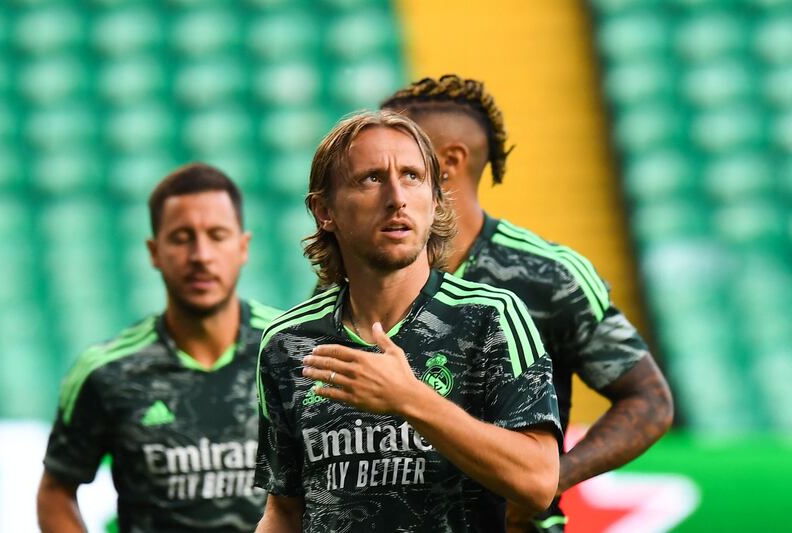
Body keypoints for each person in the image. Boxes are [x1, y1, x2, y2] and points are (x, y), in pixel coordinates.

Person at [381, 75, 674, 532]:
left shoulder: (548, 276)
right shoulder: (360, 269)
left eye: (399, 156)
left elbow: (649, 399)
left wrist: (555, 475)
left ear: (448, 161)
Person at [254, 110, 562, 533]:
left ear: (435, 201)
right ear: (324, 210)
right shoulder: (287, 342)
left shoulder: (489, 317)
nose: (396, 196)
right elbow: (284, 511)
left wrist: (410, 399)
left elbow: (539, 481)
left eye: (413, 176)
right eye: (372, 178)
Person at [37, 163, 281, 532]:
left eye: (217, 235)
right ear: (154, 251)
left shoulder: (291, 350)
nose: (201, 255)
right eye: (182, 238)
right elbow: (55, 491)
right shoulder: (108, 371)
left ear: (242, 247)